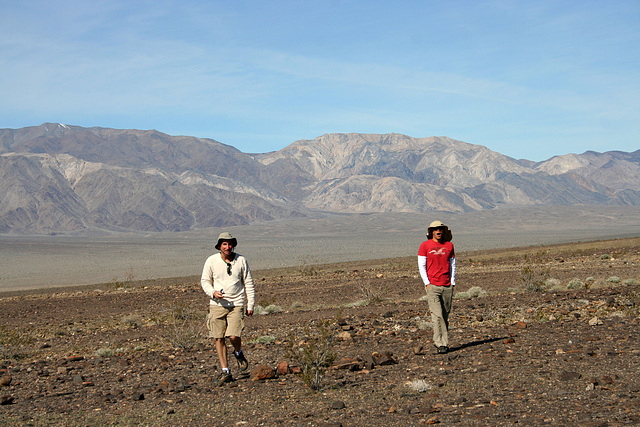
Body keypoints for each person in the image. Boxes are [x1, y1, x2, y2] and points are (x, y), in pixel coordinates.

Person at [201, 232, 255, 386]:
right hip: (217, 305)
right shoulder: (211, 260)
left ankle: (238, 352)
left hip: (236, 304)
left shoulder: (241, 260)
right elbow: (205, 281)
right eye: (224, 244)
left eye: (230, 244)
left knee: (233, 336)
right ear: (219, 246)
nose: (227, 247)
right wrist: (212, 292)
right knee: (219, 337)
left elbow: (249, 283)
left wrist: (250, 304)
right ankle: (225, 370)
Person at [418, 220, 456, 354]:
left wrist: (452, 282)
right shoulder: (425, 246)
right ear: (431, 232)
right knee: (437, 315)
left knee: (445, 315)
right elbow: (421, 265)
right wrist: (427, 283)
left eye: (440, 229)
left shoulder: (449, 246)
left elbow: (452, 265)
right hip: (433, 285)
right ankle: (441, 343)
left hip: (447, 286)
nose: (438, 231)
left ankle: (441, 341)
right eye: (435, 229)